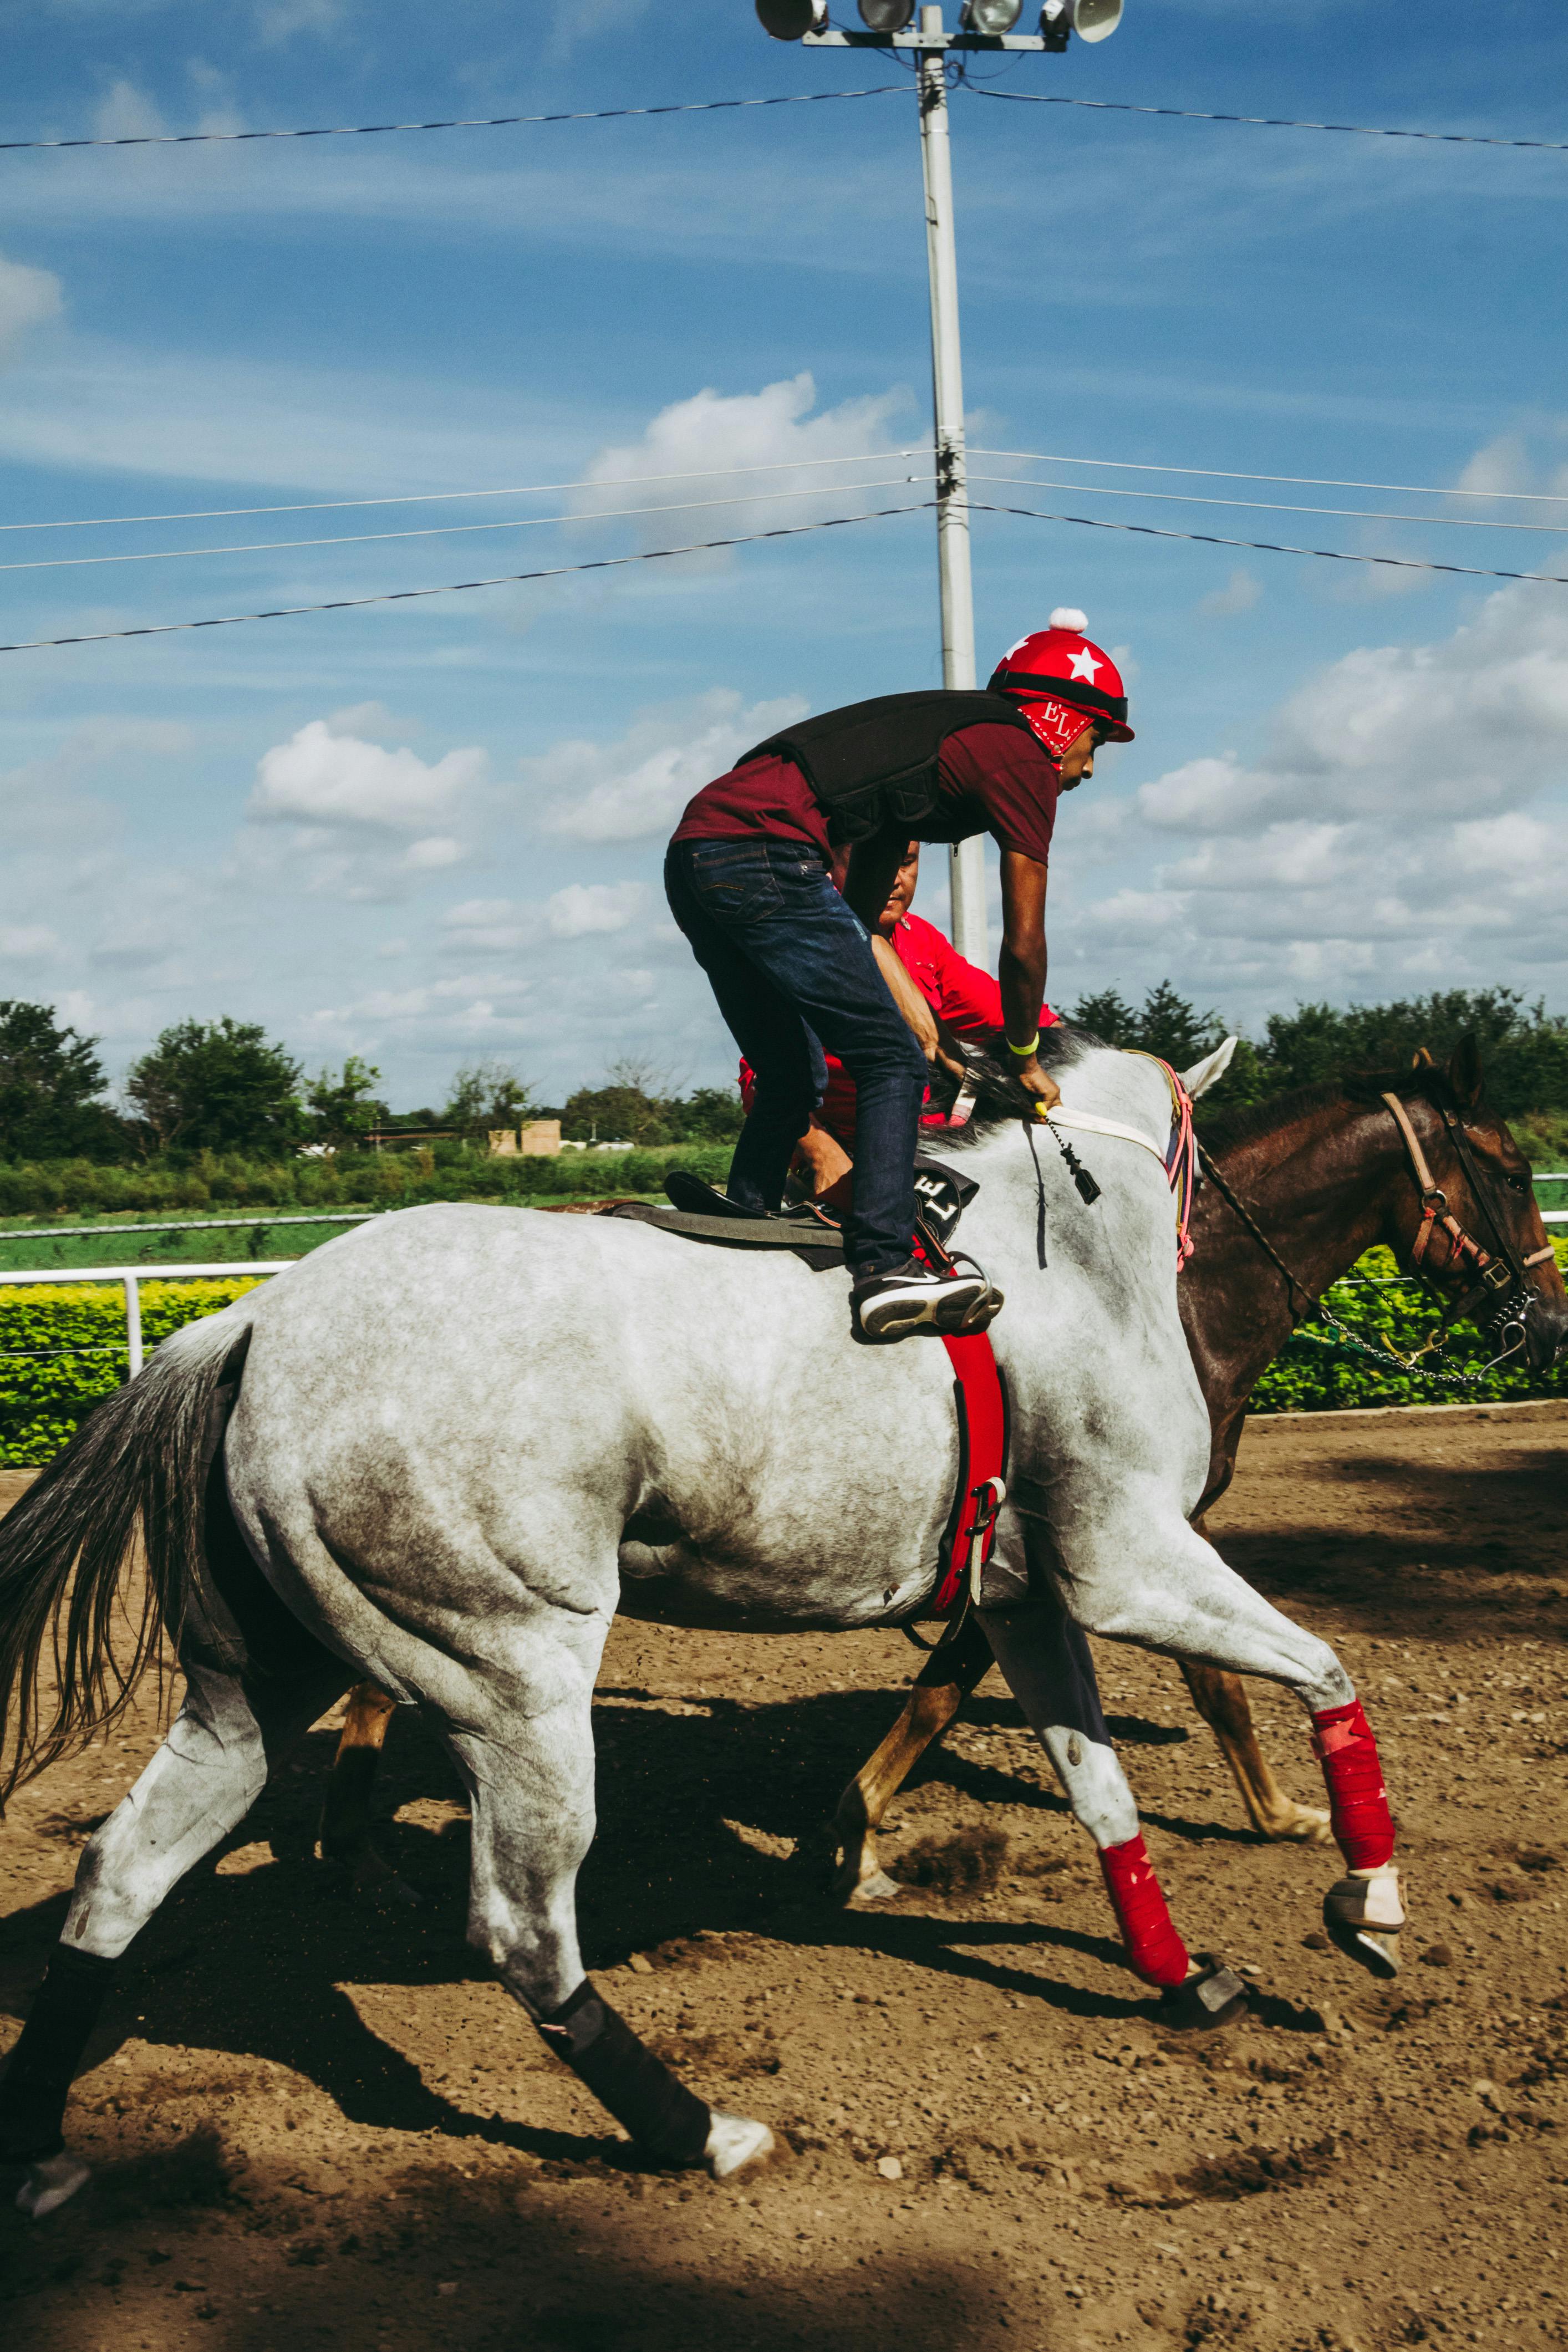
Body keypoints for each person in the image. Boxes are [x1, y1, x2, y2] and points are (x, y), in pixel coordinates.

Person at [664, 609, 1133, 1342]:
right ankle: (886, 1265)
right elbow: (1025, 941)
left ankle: (747, 1207)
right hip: (764, 850)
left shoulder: (930, 753)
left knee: (796, 1072)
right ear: (1058, 719)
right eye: (1095, 739)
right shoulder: (1019, 754)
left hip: (699, 851)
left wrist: (940, 1039)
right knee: (890, 1058)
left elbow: (853, 921)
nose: (1089, 767)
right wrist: (1021, 1055)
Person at [742, 839, 1062, 1202]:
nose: (894, 879)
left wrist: (1075, 1054)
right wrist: (820, 1153)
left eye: (906, 862)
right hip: (841, 1161)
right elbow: (759, 1076)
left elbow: (1021, 1017)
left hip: (933, 1155)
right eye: (875, 863)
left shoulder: (923, 941)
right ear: (830, 865)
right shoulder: (800, 945)